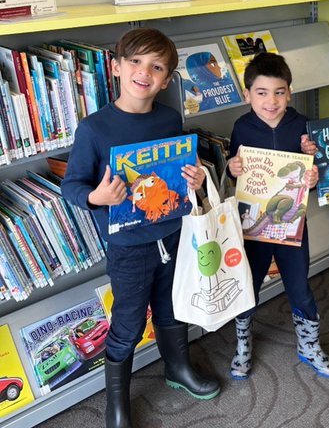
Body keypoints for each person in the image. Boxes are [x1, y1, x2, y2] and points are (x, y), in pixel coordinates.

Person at [61, 28, 219, 428]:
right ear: (116, 67)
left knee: (172, 307)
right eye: (135, 62)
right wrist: (98, 197)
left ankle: (177, 368)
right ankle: (118, 403)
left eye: (156, 66)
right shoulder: (94, 129)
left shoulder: (169, 118)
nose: (144, 72)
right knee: (128, 322)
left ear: (166, 80)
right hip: (129, 245)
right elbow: (72, 187)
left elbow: (180, 174)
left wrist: (195, 180)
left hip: (171, 233)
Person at [225, 53, 329, 380]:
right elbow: (237, 172)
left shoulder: (301, 127)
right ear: (247, 95)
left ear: (289, 92)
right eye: (261, 93)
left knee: (300, 285)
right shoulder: (242, 127)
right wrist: (233, 168)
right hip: (253, 226)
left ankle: (309, 344)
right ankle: (243, 343)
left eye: (278, 92)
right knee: (249, 285)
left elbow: (310, 176)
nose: (270, 101)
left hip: (292, 224)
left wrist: (313, 173)